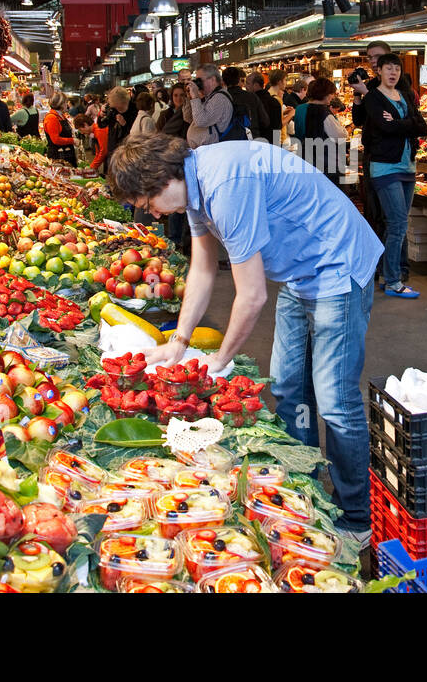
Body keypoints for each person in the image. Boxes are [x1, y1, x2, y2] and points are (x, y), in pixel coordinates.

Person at [108, 133, 382, 541]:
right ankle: (305, 496)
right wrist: (179, 341)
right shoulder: (196, 184)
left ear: (161, 181)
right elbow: (201, 268)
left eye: (148, 205)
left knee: (335, 400)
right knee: (288, 387)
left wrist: (218, 362)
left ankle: (358, 517)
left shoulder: (224, 184)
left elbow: (251, 295)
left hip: (336, 265)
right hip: (299, 271)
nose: (153, 214)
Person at [363, 52, 427, 298]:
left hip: (408, 166)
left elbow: (421, 126)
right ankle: (392, 280)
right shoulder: (373, 98)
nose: (393, 73)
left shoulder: (405, 95)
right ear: (379, 70)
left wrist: (400, 123)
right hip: (385, 167)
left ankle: (388, 273)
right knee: (398, 223)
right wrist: (406, 123)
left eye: (397, 69)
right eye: (388, 68)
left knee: (397, 223)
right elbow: (384, 127)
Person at [352, 41, 413, 284]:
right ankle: (380, 266)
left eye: (377, 57)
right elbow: (359, 119)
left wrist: (368, 95)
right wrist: (358, 95)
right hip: (374, 155)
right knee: (376, 213)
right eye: (369, 57)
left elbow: (407, 119)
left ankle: (399, 267)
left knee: (397, 218)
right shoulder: (369, 86)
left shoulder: (400, 86)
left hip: (395, 157)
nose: (372, 61)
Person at [289, 77, 348, 184]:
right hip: (326, 162)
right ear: (324, 94)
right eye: (331, 93)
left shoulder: (304, 108)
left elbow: (299, 131)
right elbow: (340, 135)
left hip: (308, 157)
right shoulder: (323, 112)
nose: (332, 96)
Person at [182, 63, 235, 146]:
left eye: (199, 80)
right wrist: (190, 98)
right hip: (204, 150)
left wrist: (195, 97)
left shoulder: (220, 98)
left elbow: (201, 121)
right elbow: (188, 118)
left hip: (213, 151)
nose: (197, 84)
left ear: (212, 80)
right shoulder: (211, 97)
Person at [223, 66, 271, 141]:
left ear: (223, 82)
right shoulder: (251, 96)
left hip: (230, 141)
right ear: (239, 80)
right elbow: (265, 121)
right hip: (252, 138)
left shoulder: (221, 98)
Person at [100, 86, 132, 172]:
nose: (109, 102)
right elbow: (101, 125)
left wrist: (124, 124)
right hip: (112, 148)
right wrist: (101, 115)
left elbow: (134, 134)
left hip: (126, 152)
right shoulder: (112, 110)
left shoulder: (133, 112)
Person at [42, 93, 77, 166]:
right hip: (58, 156)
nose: (67, 105)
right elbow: (56, 140)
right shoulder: (52, 118)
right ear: (60, 104)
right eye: (65, 103)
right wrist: (72, 140)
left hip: (66, 154)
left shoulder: (61, 116)